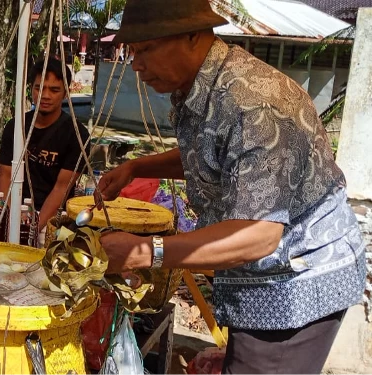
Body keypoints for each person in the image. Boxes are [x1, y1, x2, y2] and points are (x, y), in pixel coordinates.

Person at [95, 1, 366, 374]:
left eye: (146, 49)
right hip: (260, 277)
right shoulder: (208, 86)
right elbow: (217, 153)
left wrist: (148, 252)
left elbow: (259, 236)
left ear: (192, 35)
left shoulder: (256, 105)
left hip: (295, 283)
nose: (136, 64)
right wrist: (137, 166)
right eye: (133, 52)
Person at [0, 57, 89, 230]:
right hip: (15, 209)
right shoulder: (16, 127)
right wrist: (7, 220)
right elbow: (5, 177)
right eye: (39, 88)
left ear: (66, 93)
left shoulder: (77, 135)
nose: (45, 96)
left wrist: (31, 229)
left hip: (53, 217)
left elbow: (62, 188)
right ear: (31, 89)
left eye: (54, 90)